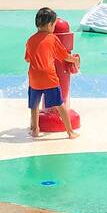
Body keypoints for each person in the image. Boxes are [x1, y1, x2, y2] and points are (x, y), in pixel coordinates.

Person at [25, 7, 79, 138]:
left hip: (34, 79)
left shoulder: (30, 40)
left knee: (34, 106)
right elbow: (64, 56)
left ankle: (35, 129)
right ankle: (70, 132)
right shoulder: (52, 39)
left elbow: (27, 58)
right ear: (50, 25)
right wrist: (75, 59)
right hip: (49, 79)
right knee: (60, 105)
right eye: (54, 25)